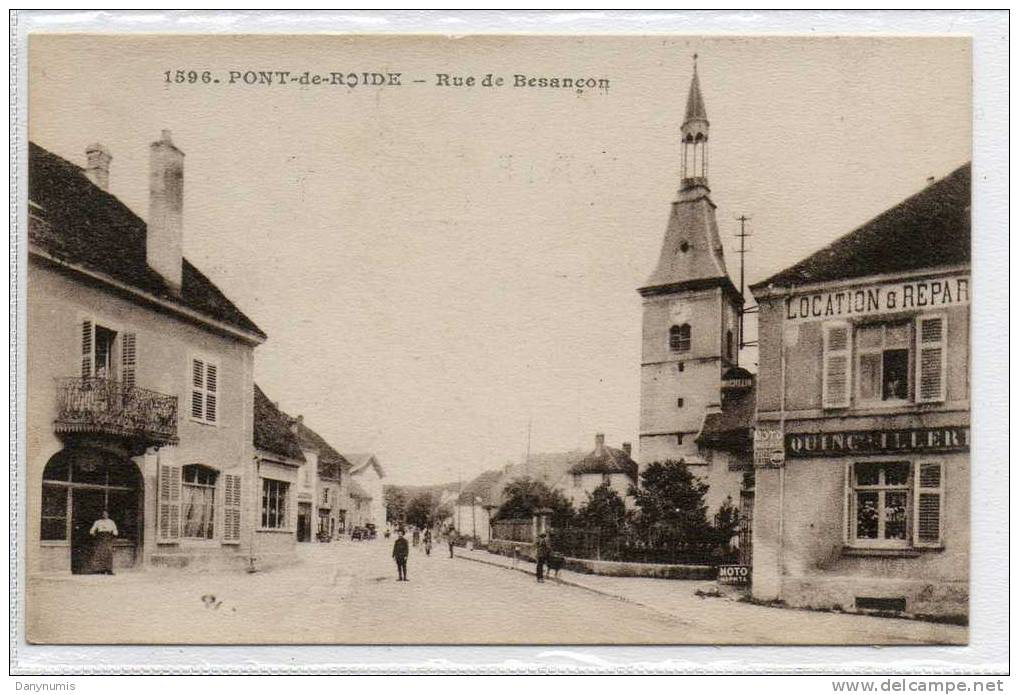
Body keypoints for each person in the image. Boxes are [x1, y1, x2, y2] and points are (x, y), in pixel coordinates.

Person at [89, 509, 118, 575]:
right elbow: (92, 530)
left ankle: (109, 570)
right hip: (100, 538)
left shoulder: (111, 522)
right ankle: (99, 570)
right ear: (101, 515)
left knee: (108, 553)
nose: (104, 515)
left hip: (108, 538)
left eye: (106, 514)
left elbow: (115, 530)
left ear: (108, 514)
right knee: (100, 553)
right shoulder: (98, 522)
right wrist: (94, 534)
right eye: (103, 514)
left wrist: (113, 535)